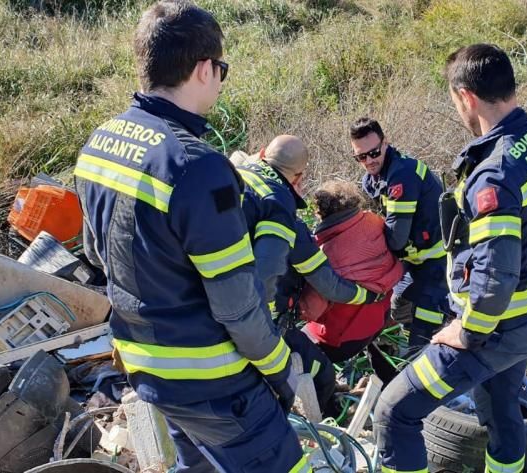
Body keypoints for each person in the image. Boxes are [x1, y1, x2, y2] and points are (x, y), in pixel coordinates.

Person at [74, 3, 309, 472]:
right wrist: (281, 366)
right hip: (214, 381)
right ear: (204, 69)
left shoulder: (99, 143)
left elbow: (95, 254)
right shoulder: (198, 167)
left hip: (148, 369)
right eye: (221, 69)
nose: (220, 81)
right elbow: (236, 305)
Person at [373, 44, 527, 473]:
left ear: (466, 96)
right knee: (501, 412)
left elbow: (493, 280)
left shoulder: (494, 176)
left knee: (394, 412)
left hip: (491, 332)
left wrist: (467, 332)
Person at [231, 137, 381, 418]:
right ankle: (326, 426)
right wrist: (367, 295)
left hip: (212, 303)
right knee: (320, 371)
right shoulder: (281, 208)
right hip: (256, 322)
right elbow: (328, 284)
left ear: (263, 154)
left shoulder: (239, 175)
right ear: (298, 176)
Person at [351, 118, 449, 354]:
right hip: (414, 262)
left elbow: (395, 238)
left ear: (386, 143)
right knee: (399, 306)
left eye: (374, 152)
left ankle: (428, 353)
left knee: (423, 332)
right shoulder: (372, 178)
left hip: (439, 262)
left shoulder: (402, 175)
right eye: (361, 157)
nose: (369, 161)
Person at [298, 180, 404, 383]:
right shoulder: (376, 222)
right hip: (378, 320)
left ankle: (327, 405)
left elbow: (310, 311)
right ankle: (389, 381)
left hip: (340, 341)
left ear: (321, 213)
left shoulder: (326, 254)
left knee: (296, 348)